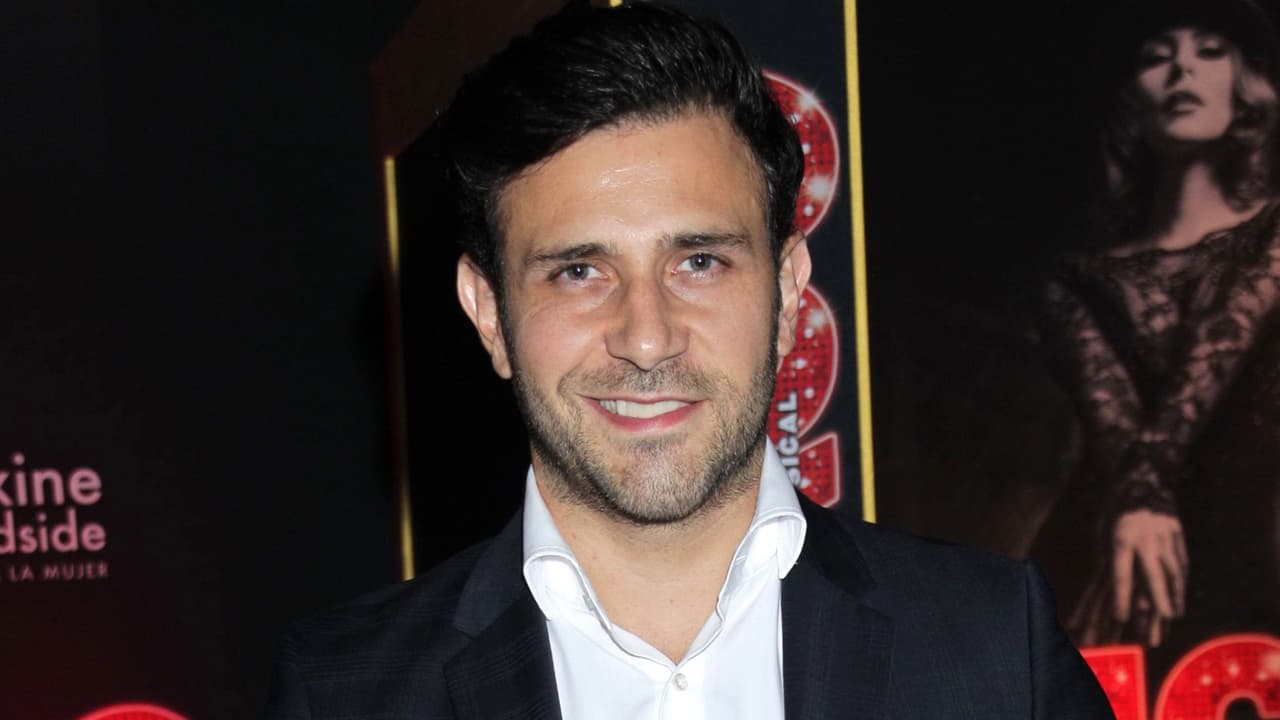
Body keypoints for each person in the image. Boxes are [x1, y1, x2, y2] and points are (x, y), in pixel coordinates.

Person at [266, 3, 1112, 717]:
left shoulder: (996, 650)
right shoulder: (344, 692)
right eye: (580, 271)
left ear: (788, 290)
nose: (647, 337)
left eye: (699, 262)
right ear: (488, 313)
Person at [1036, 0, 1280, 670]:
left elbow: (1214, 356)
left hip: (1250, 547)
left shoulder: (1274, 238)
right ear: (1130, 102)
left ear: (1247, 87)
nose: (1182, 71)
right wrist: (1138, 498)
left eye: (1210, 50)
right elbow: (1114, 417)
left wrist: (1143, 495)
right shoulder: (1077, 279)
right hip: (1108, 551)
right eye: (1156, 57)